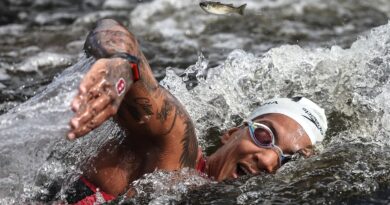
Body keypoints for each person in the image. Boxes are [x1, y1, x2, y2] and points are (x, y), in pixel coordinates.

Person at [64, 19, 328, 204]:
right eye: (265, 135)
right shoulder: (176, 150)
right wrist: (121, 62)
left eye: (288, 160)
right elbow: (113, 30)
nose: (270, 161)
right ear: (231, 133)